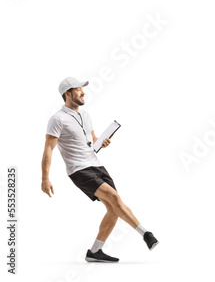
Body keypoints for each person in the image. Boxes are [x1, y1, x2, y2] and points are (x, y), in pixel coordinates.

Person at [41, 77, 159, 263]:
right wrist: (45, 178)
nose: (83, 93)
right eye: (79, 90)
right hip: (79, 169)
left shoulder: (85, 115)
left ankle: (95, 252)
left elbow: (92, 140)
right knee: (115, 199)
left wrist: (101, 142)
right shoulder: (57, 119)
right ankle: (146, 234)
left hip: (96, 164)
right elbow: (48, 148)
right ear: (67, 93)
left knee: (113, 209)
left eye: (82, 90)